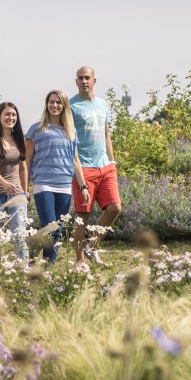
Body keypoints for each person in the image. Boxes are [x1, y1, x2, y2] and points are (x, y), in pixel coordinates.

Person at [25, 90, 88, 264]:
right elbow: (27, 160)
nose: (54, 105)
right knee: (50, 226)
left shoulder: (71, 131)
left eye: (58, 103)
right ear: (47, 104)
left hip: (64, 185)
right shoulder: (36, 129)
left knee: (57, 229)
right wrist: (25, 188)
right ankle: (44, 265)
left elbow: (76, 161)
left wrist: (83, 187)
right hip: (43, 183)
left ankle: (44, 266)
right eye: (51, 102)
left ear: (64, 106)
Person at [70, 66, 122, 263]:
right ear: (76, 82)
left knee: (115, 208)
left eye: (87, 78)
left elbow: (107, 134)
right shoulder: (72, 106)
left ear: (94, 81)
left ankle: (92, 246)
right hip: (84, 167)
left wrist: (112, 160)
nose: (84, 81)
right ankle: (80, 261)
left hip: (105, 166)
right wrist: (77, 165)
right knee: (82, 216)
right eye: (80, 78)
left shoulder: (102, 104)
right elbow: (70, 138)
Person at [0, 102, 30, 260]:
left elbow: (23, 168)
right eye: (7, 114)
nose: (11, 117)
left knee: (19, 235)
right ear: (0, 117)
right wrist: (4, 183)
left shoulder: (20, 140)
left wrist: (25, 191)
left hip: (17, 195)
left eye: (14, 115)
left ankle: (23, 270)